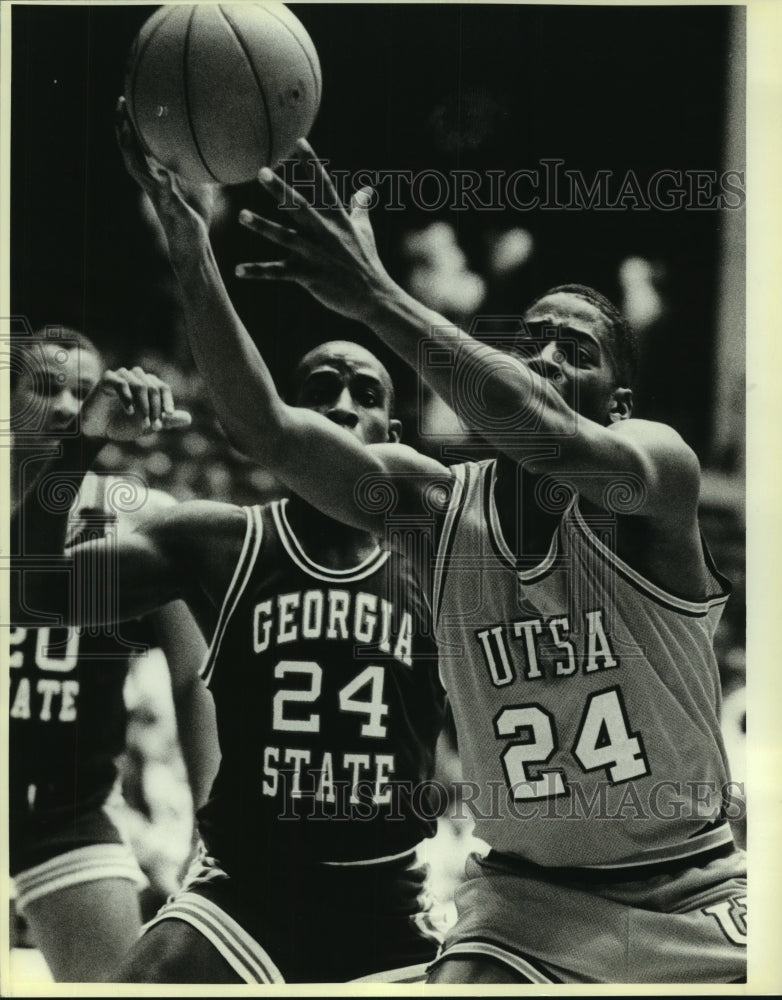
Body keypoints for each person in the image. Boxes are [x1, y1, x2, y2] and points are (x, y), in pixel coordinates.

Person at [116, 110, 747, 985]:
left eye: (578, 347)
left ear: (618, 402)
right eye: (533, 342)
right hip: (529, 913)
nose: (548, 356)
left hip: (695, 899)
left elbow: (552, 438)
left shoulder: (654, 476)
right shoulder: (431, 507)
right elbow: (267, 430)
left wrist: (373, 292)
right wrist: (192, 254)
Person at [11, 329, 447, 983]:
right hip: (246, 889)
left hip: (380, 896)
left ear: (391, 426)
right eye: (320, 390)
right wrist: (81, 446)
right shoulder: (229, 539)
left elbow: (191, 679)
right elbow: (34, 594)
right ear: (281, 419)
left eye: (363, 392)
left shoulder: (442, 559)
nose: (341, 406)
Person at [8, 328, 218, 982]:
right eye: (46, 388)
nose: (69, 405)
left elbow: (194, 674)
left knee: (112, 988)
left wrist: (209, 824)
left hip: (64, 810)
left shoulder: (134, 517)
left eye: (83, 391)